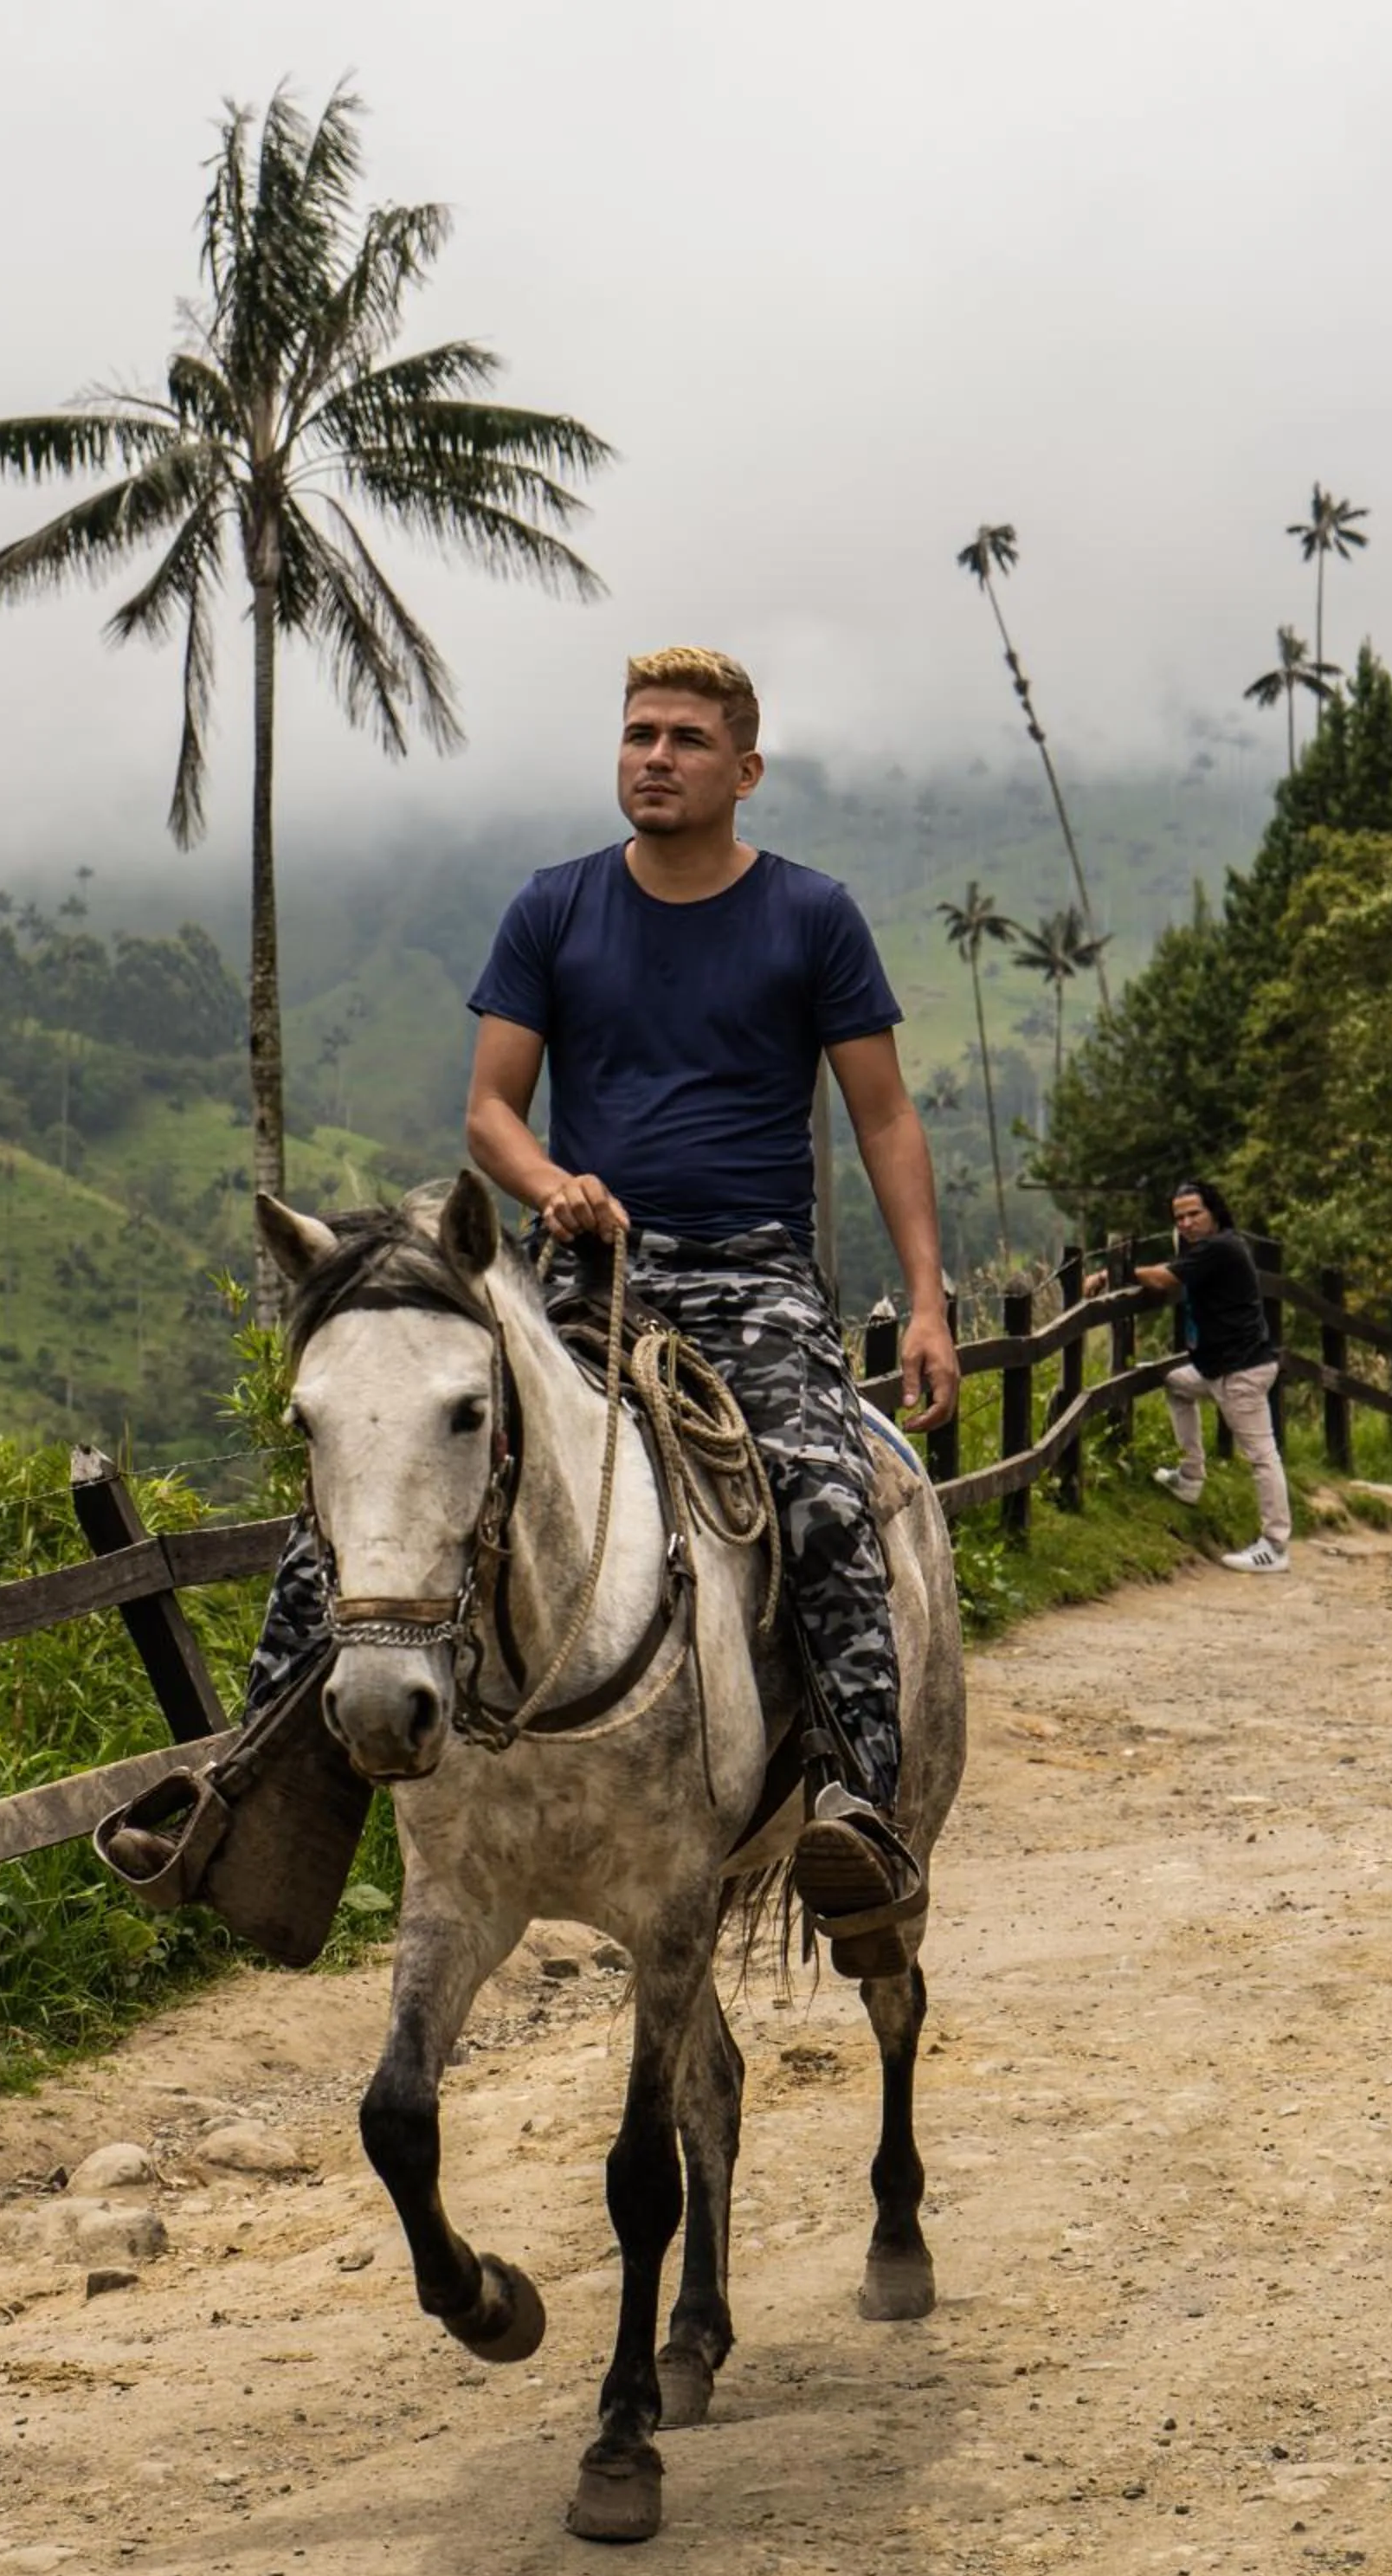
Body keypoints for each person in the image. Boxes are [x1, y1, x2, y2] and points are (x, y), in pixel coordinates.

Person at [457, 643, 960, 1956]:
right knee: (407, 1449)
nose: (654, 758)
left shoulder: (811, 917)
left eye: (684, 739)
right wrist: (553, 1181)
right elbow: (490, 1112)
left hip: (751, 1276)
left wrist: (926, 1301)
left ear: (743, 769)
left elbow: (886, 1118)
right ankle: (258, 1785)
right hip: (584, 1277)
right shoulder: (552, 909)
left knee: (826, 1497)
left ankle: (864, 1804)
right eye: (637, 735)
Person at [1085, 1179, 1292, 1575]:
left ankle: (1276, 1545)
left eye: (1195, 1213)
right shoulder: (1208, 1250)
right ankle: (1191, 1477)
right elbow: (1174, 1272)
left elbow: (1164, 1279)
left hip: (1240, 1371)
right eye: (1179, 1217)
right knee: (1177, 1384)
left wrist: (1115, 1272)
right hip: (1220, 1368)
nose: (1186, 1223)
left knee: (1263, 1457)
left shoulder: (1221, 1247)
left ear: (1214, 1211)